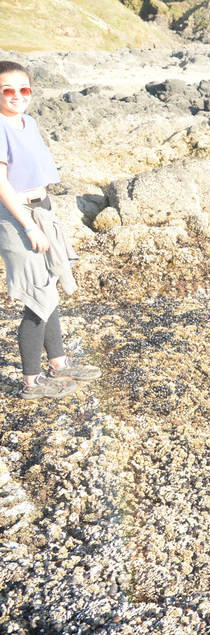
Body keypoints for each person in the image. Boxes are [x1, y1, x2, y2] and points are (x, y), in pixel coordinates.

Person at [0, 60, 100, 400]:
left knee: (49, 287)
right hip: (17, 217)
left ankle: (58, 362)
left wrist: (45, 214)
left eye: (23, 89)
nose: (17, 96)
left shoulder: (29, 122)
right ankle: (32, 382)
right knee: (36, 296)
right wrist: (29, 227)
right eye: (7, 90)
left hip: (42, 209)